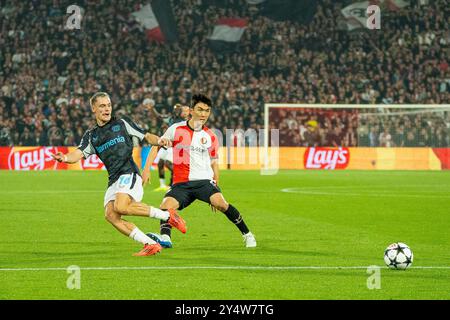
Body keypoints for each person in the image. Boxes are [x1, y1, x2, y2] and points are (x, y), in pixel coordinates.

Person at [50, 92, 187, 256]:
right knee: (111, 215)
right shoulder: (91, 136)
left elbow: (146, 136)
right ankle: (150, 243)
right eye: (102, 106)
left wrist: (159, 140)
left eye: (108, 105)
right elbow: (78, 154)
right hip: (114, 179)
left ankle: (168, 216)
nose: (107, 109)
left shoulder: (122, 123)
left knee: (121, 206)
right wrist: (64, 157)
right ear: (93, 109)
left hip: (129, 172)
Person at [143, 94, 256, 248]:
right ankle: (165, 238)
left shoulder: (210, 135)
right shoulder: (176, 129)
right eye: (200, 110)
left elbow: (214, 163)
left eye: (207, 111)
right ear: (191, 110)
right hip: (181, 183)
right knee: (165, 206)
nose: (203, 114)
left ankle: (248, 234)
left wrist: (216, 186)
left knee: (221, 204)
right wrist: (146, 170)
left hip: (204, 182)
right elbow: (156, 145)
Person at [143, 99, 190, 191]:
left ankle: (179, 180)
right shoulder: (170, 118)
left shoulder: (184, 121)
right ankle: (163, 185)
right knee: (160, 163)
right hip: (166, 143)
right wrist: (152, 109)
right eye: (176, 109)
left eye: (179, 110)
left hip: (175, 145)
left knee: (168, 163)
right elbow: (158, 117)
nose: (177, 111)